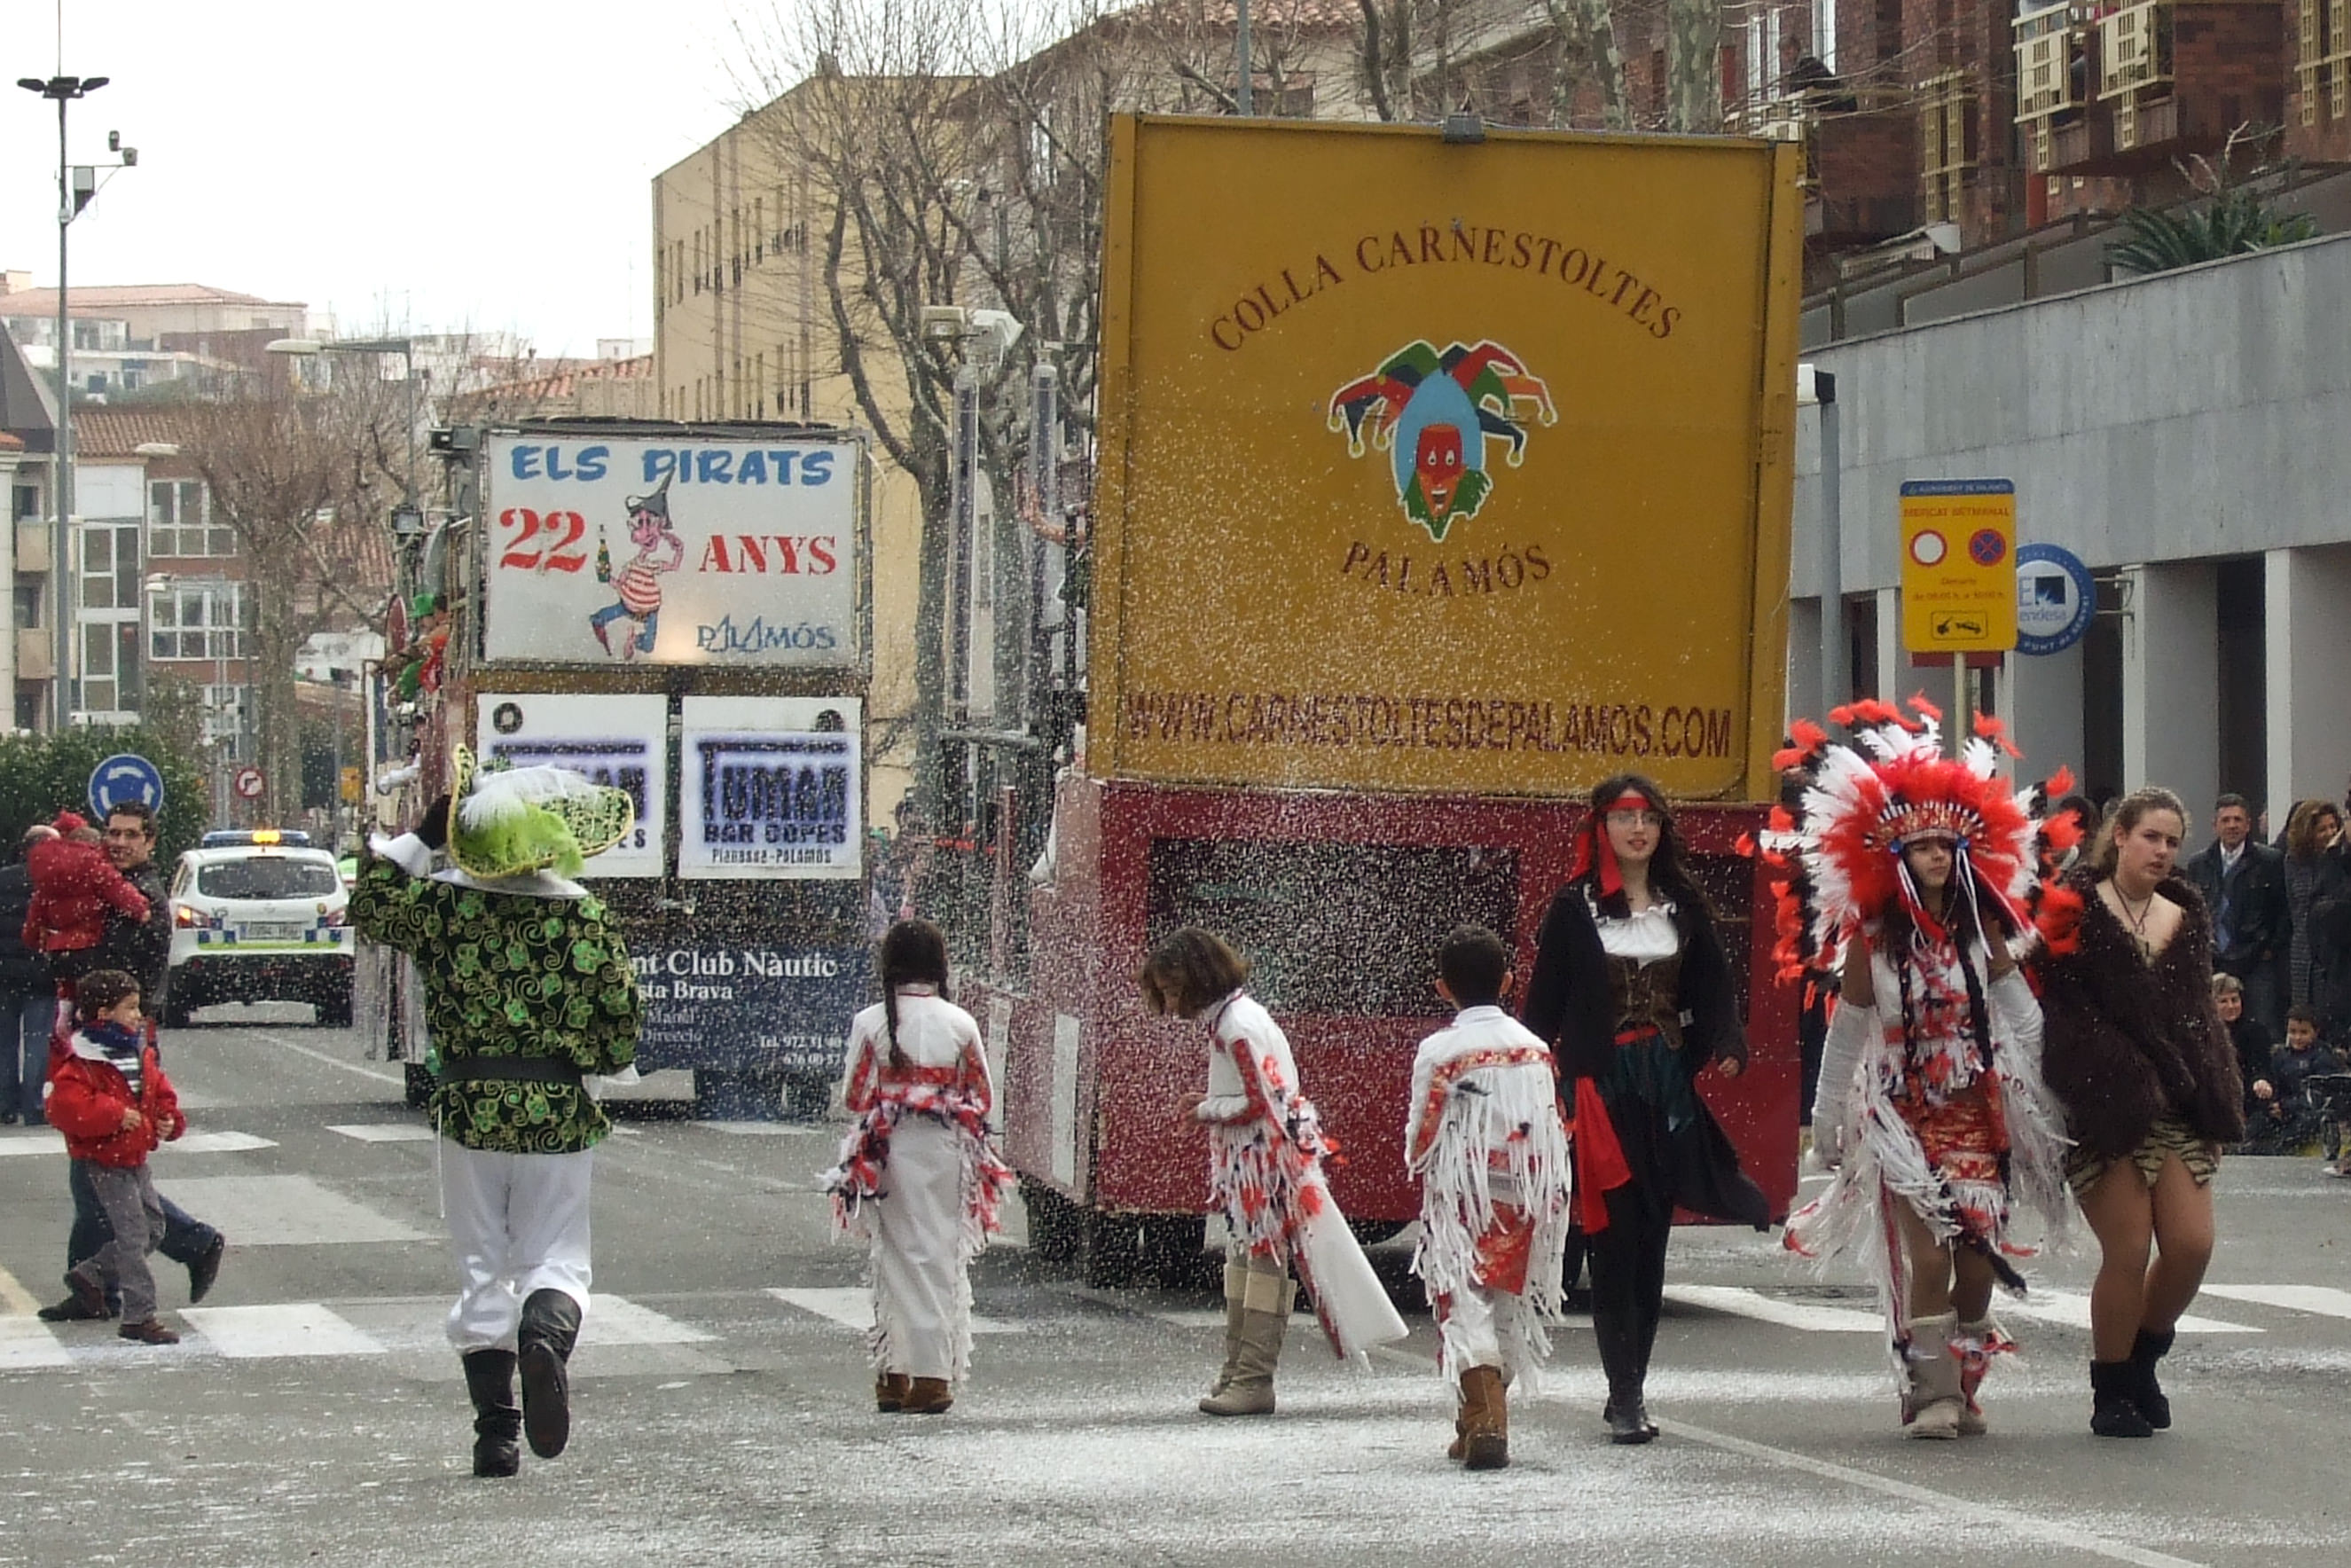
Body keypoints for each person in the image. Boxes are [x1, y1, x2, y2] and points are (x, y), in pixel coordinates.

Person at [1772, 702, 2073, 1439]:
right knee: (1929, 1258)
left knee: (1978, 1263)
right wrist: (1824, 1118)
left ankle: (1963, 1380)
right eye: (1922, 846)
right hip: (1902, 1115)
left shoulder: (1981, 931)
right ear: (1895, 858)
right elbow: (1847, 1031)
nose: (1936, 856)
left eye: (1946, 844)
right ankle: (1930, 1392)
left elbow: (2023, 1018)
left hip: (1978, 1109)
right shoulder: (1871, 941)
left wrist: (2055, 1096)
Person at [350, 749, 642, 1478]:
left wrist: (422, 836)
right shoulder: (583, 916)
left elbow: (370, 903)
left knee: (481, 1265)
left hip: (470, 1107)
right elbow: (621, 1028)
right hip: (558, 1111)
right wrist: (584, 1056)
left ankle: (496, 1434)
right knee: (557, 1258)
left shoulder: (449, 910)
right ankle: (545, 1335)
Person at [1521, 773, 1769, 1445]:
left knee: (1652, 1240)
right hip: (1599, 1089)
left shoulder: (1681, 903)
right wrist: (1525, 1079)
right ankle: (1623, 1394)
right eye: (1626, 818)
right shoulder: (1572, 908)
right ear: (1601, 828)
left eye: (1650, 819)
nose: (1639, 829)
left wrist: (1727, 1041)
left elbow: (1714, 986)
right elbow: (1543, 1007)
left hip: (1664, 1084)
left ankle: (1632, 1386)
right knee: (1614, 1239)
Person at [2034, 786, 2243, 1439]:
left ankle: (2142, 1360)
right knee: (2127, 1248)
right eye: (2150, 836)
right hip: (2104, 1103)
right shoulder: (2072, 909)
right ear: (2119, 835)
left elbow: (2198, 1017)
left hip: (2178, 1101)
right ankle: (2111, 1387)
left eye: (2172, 841)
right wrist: (2114, 1077)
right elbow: (2057, 1014)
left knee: (2190, 1245)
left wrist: (2213, 1099)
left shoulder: (2185, 913)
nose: (2161, 851)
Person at [1143, 926, 1406, 1417]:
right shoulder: (1239, 1016)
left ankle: (1251, 1377)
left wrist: (1206, 1110)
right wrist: (1212, 1102)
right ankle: (1240, 1371)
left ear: (1199, 979)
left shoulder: (1235, 1027)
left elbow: (1258, 1103)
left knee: (1260, 1267)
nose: (1172, 1005)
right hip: (1260, 1160)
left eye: (1174, 991)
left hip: (1262, 1164)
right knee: (1247, 1264)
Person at [36, 803, 226, 1322]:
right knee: (98, 1172)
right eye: (113, 833)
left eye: (130, 836)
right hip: (100, 1040)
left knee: (100, 1172)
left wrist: (58, 954)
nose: (118, 843)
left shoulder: (139, 897)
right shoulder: (109, 889)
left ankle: (162, 1254)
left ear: (149, 842)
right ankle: (98, 1282)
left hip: (119, 1044)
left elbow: (104, 966)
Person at [824, 920, 1012, 1415]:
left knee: (895, 1255)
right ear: (938, 965)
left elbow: (853, 1097)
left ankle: (896, 1372)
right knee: (938, 1254)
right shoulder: (960, 1023)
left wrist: (897, 1093)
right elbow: (983, 1097)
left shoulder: (870, 1021)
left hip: (887, 1150)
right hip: (946, 1149)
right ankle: (932, 1374)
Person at [1404, 925, 1572, 1470]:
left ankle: (1484, 1422)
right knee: (1507, 1302)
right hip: (1526, 1192)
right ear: (1507, 981)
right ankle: (1477, 1419)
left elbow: (1423, 1131)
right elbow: (1553, 1120)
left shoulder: (1440, 1050)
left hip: (1465, 1194)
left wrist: (1419, 1163)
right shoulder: (1536, 1048)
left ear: (1442, 988)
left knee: (1463, 1300)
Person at [44, 968, 185, 1345]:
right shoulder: (83, 1059)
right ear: (104, 1013)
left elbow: (158, 1091)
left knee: (154, 1227)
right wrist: (114, 1114)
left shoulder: (137, 1051)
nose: (138, 1015)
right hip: (104, 1159)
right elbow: (65, 1108)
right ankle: (139, 1315)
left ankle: (92, 1274)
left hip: (135, 1155)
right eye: (131, 1008)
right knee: (133, 1234)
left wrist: (168, 1119)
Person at [2184, 794, 2287, 1036]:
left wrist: (2270, 947)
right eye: (2226, 820)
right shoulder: (2198, 863)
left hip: (2257, 960)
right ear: (2215, 825)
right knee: (2210, 1028)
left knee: (2262, 1027)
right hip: (2212, 958)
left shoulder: (2270, 861)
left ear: (2248, 824)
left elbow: (2283, 910)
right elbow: (2191, 909)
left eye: (2238, 820)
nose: (2232, 826)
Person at [23, 812, 149, 985]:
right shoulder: (93, 864)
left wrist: (33, 939)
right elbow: (116, 888)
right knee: (90, 990)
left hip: (57, 950)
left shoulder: (48, 877)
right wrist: (140, 909)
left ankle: (66, 1001)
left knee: (67, 985)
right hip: (88, 945)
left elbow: (36, 913)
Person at [0, 826, 56, 1124]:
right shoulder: (53, 883)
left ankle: (5, 1104)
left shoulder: (3, 878)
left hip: (4, 973)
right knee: (37, 1041)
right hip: (41, 975)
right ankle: (33, 1105)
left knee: (4, 1042)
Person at [2280, 800, 2342, 1012]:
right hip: (2302, 952)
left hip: (2335, 950)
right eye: (2322, 829)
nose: (2329, 833)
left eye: (2333, 826)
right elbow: (2293, 907)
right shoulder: (2292, 861)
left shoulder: (2342, 860)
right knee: (2303, 1014)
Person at [2261, 1007, 2342, 1156]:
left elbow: (2320, 1097)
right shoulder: (2281, 1055)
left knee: (2310, 1120)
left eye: (2304, 1033)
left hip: (2307, 1112)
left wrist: (2286, 1107)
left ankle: (2278, 1148)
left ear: (2315, 1032)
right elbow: (2274, 1081)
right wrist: (2272, 1102)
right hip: (2282, 1110)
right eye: (2292, 1032)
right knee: (2259, 1119)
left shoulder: (2323, 1058)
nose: (2297, 1038)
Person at [2213, 974, 2277, 1141]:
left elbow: (2261, 1065)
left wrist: (2261, 1080)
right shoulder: (2202, 1033)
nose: (2231, 1006)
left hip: (2248, 1100)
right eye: (2223, 1001)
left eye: (2235, 1000)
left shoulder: (2256, 1031)